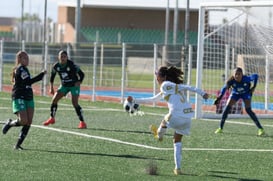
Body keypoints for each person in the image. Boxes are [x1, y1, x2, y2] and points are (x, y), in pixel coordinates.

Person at [126, 66, 209, 175]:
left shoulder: (166, 85)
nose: (157, 78)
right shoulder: (166, 88)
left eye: (158, 76)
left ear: (163, 77)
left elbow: (185, 86)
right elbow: (153, 99)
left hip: (177, 115)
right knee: (177, 141)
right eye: (156, 75)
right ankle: (177, 168)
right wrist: (135, 100)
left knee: (166, 120)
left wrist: (202, 93)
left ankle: (159, 135)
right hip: (187, 117)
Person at [2, 50, 47, 150]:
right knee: (23, 121)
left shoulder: (25, 69)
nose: (27, 60)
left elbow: (28, 83)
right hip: (19, 96)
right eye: (25, 58)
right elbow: (29, 82)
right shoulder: (20, 69)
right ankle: (9, 123)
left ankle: (18, 145)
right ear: (20, 59)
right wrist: (42, 74)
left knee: (29, 121)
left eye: (27, 58)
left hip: (28, 97)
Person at [214, 67, 265, 136]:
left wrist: (254, 87)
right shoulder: (230, 81)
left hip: (246, 94)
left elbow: (256, 75)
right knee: (226, 109)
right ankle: (220, 128)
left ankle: (260, 129)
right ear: (233, 74)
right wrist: (219, 98)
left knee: (248, 110)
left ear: (242, 74)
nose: (237, 76)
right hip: (235, 94)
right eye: (236, 74)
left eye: (239, 74)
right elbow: (224, 89)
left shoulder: (246, 78)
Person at [43, 50, 87, 129]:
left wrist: (79, 82)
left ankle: (82, 122)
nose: (63, 58)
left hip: (74, 85)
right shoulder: (56, 66)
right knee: (54, 100)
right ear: (58, 57)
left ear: (67, 57)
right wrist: (51, 87)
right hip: (64, 85)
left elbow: (82, 74)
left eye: (64, 57)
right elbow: (52, 77)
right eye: (61, 57)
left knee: (74, 103)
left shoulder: (72, 65)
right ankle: (52, 118)